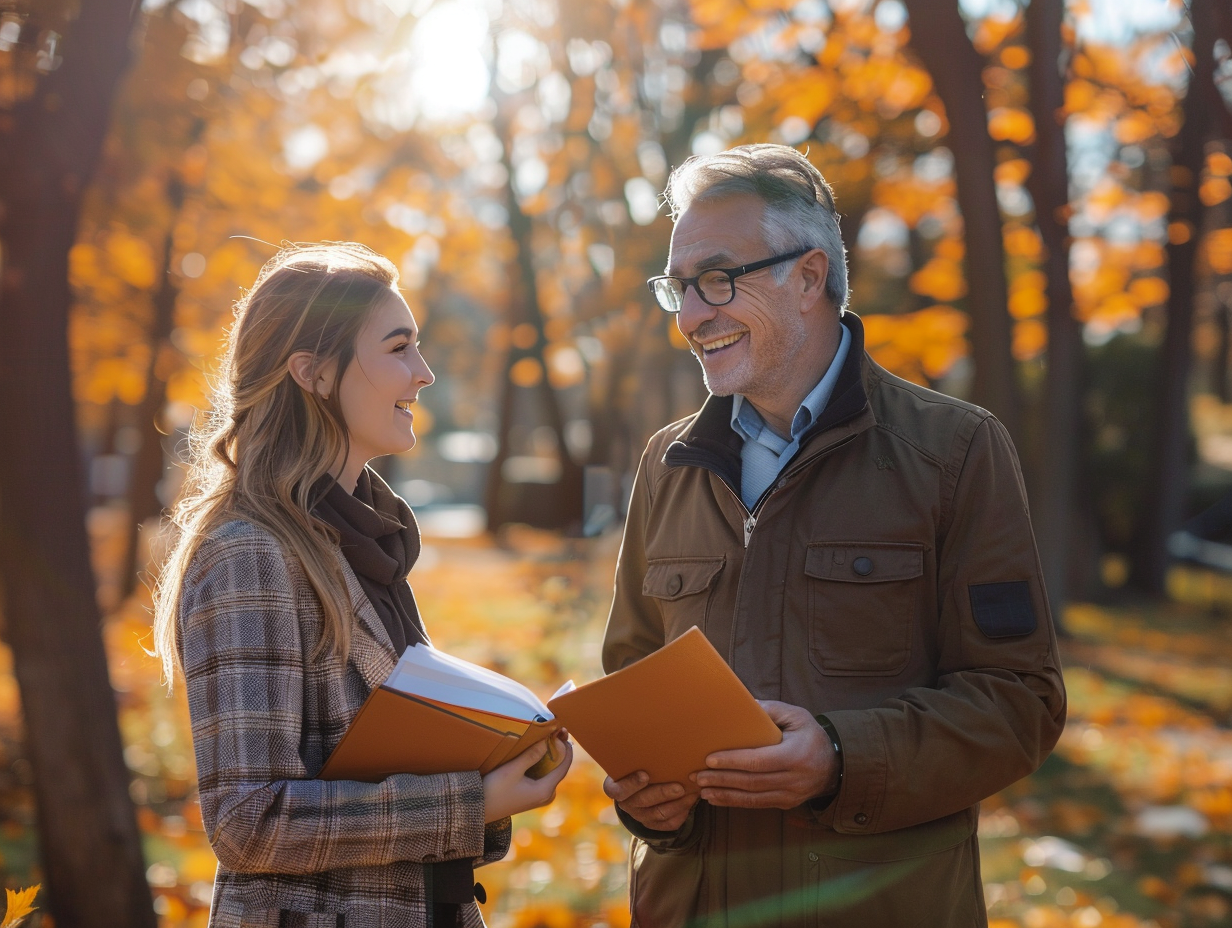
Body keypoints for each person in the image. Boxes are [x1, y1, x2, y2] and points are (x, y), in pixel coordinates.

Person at [601, 145, 1067, 926]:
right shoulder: (667, 463)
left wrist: (841, 757)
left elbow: (1019, 702)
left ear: (810, 276)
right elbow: (631, 674)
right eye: (678, 288)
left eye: (718, 279)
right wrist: (650, 801)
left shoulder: (955, 452)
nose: (691, 315)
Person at [152, 243, 572, 928]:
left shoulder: (362, 540)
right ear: (313, 374)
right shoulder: (249, 552)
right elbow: (247, 821)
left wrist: (498, 762)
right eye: (399, 347)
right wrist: (471, 802)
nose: (425, 373)